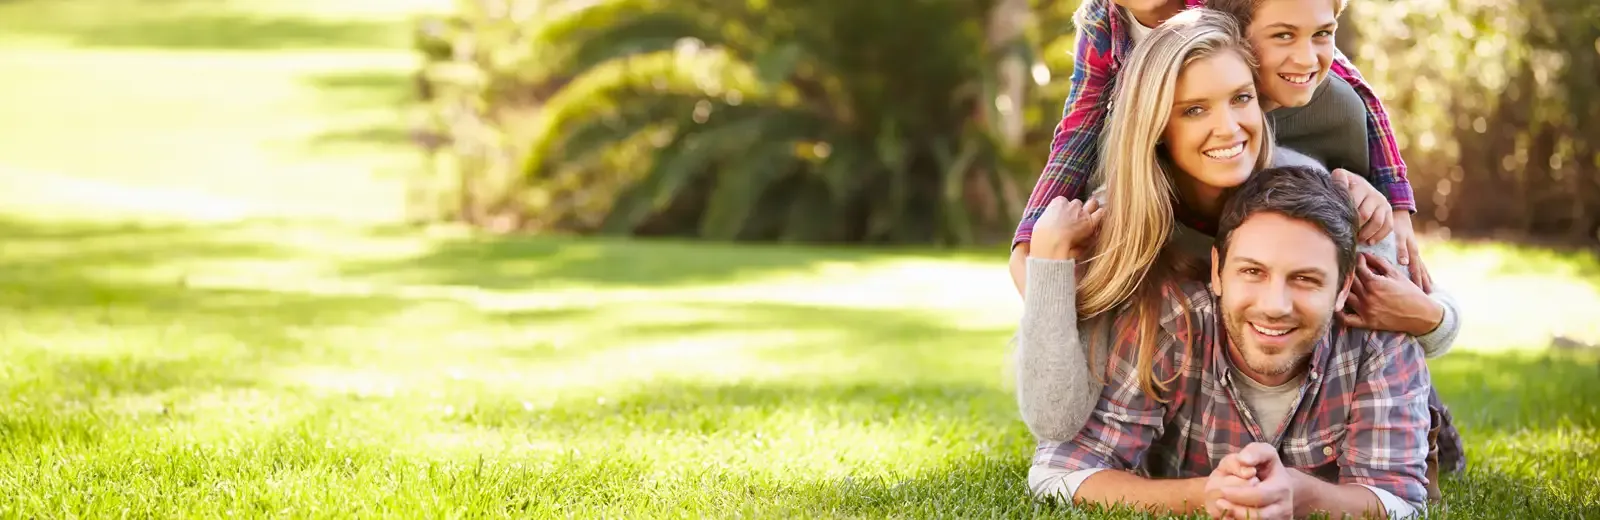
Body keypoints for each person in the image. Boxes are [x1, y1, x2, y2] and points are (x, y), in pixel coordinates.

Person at [1009, 7, 1461, 502]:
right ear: (1157, 124)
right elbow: (1056, 423)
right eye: (1194, 109)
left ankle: (1433, 430)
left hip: (1326, 431)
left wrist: (1432, 318)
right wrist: (1047, 262)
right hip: (1193, 429)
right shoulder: (1115, 231)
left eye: (1241, 98)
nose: (1228, 128)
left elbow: (1397, 318)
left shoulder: (1323, 198)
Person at [1029, 164, 1434, 520]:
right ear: (1219, 271)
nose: (1275, 306)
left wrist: (1301, 494)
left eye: (1305, 279)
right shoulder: (1170, 325)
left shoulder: (1382, 342)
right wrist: (1204, 495)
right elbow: (1059, 474)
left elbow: (1399, 500)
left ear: (1344, 287)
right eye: (1253, 272)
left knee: (1434, 444)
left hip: (1400, 407)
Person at [1008, 0, 1432, 299]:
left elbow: (1352, 82)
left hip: (1270, 138)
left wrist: (1395, 200)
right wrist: (1030, 238)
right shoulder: (1103, 23)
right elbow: (1078, 129)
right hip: (1174, 159)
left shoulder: (1221, 5)